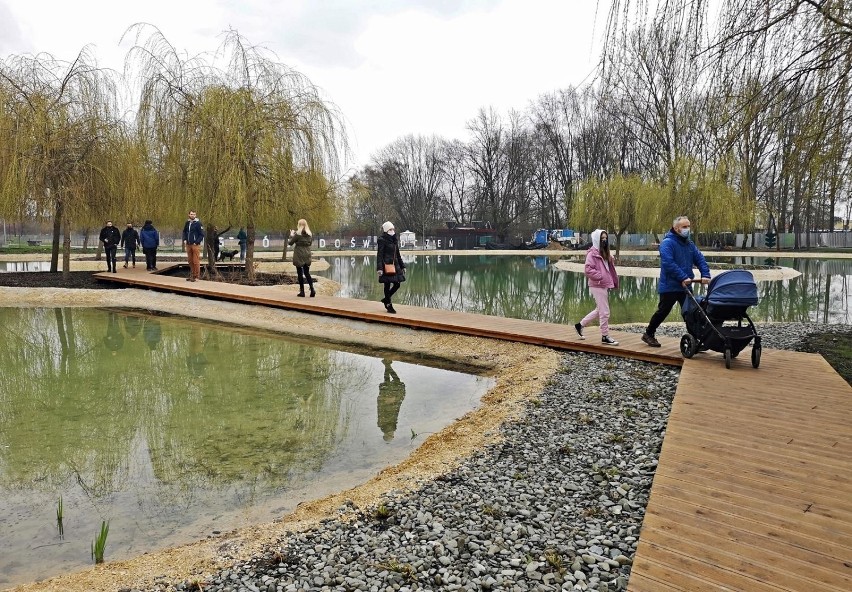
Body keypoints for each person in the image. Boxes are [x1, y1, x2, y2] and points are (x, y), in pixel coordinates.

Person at [642, 216, 711, 347]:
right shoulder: (667, 243)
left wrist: (705, 274)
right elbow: (668, 263)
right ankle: (648, 334)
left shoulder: (689, 244)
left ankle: (694, 340)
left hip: (686, 286)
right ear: (676, 228)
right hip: (670, 286)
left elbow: (700, 259)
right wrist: (683, 277)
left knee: (691, 313)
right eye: (684, 227)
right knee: (663, 311)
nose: (687, 229)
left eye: (688, 226)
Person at [574, 229, 620, 345]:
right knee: (605, 312)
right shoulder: (592, 254)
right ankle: (605, 336)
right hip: (597, 285)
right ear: (596, 240)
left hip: (603, 284)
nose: (604, 240)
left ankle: (580, 325)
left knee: (599, 310)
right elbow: (588, 269)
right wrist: (600, 277)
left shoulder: (604, 252)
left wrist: (610, 259)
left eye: (605, 238)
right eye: (602, 239)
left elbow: (608, 268)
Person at [376, 221, 406, 313]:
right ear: (386, 230)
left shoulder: (394, 240)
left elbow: (398, 254)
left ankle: (386, 299)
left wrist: (402, 266)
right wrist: (380, 268)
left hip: (395, 266)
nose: (392, 231)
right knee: (387, 284)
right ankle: (388, 304)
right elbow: (379, 255)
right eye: (390, 229)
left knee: (397, 284)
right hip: (386, 266)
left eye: (393, 229)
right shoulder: (382, 240)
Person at [377, 358, 406, 441]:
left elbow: (381, 410)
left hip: (389, 401)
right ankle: (387, 364)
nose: (393, 434)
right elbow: (395, 413)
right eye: (392, 436)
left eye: (391, 436)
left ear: (388, 434)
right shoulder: (391, 426)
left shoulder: (386, 425)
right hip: (391, 401)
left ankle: (387, 365)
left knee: (393, 382)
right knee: (390, 382)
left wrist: (385, 400)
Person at [288, 218, 315, 297]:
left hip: (299, 254)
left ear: (299, 225)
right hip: (307, 254)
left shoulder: (297, 234)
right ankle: (312, 289)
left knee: (300, 273)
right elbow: (310, 244)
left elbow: (290, 243)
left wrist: (291, 235)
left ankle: (302, 292)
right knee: (307, 273)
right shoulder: (310, 234)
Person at [182, 210, 205, 282]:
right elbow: (184, 231)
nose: (193, 215)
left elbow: (202, 234)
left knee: (196, 260)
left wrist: (197, 242)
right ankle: (192, 275)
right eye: (191, 214)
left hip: (195, 244)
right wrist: (185, 239)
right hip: (188, 244)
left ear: (196, 215)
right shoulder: (187, 223)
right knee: (190, 260)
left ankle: (197, 276)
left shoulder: (198, 223)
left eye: (194, 214)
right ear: (189, 215)